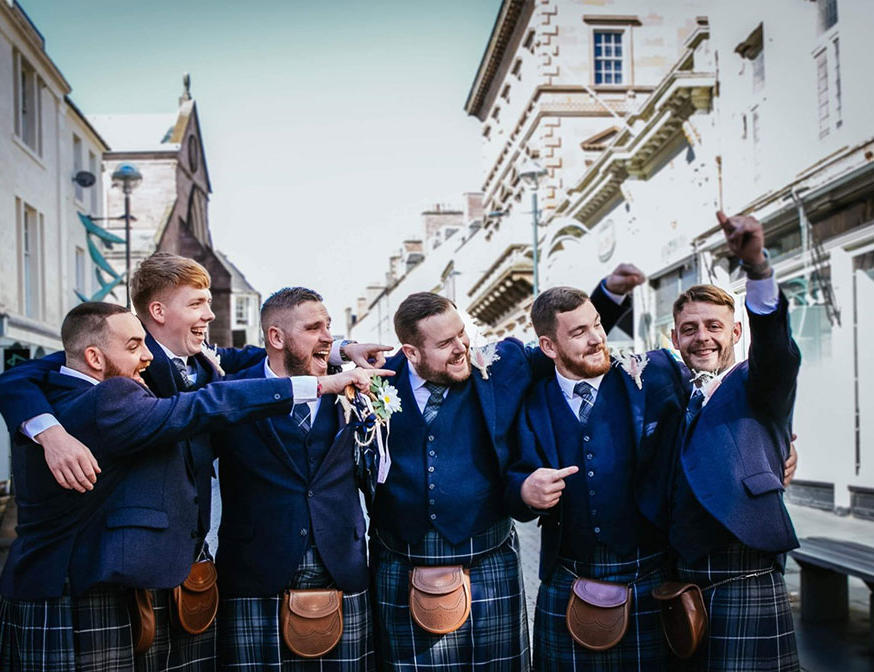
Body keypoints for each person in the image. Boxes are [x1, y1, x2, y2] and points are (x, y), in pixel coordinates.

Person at [0, 253, 388, 669]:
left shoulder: (201, 361)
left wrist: (339, 348)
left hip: (188, 569)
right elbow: (21, 377)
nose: (210, 314)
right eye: (197, 303)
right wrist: (46, 430)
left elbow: (260, 354)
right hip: (118, 569)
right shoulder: (123, 367)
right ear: (158, 312)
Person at [367, 278, 634, 671]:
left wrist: (608, 297)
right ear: (411, 352)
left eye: (461, 335)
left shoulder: (501, 365)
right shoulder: (375, 383)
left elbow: (566, 342)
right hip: (405, 560)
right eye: (445, 345)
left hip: (488, 557)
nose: (461, 349)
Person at [505, 285, 690, 670]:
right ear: (549, 346)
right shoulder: (532, 401)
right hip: (568, 578)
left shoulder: (652, 377)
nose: (596, 339)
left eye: (598, 325)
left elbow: (711, 411)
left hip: (648, 575)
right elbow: (511, 478)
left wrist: (775, 441)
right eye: (579, 333)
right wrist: (524, 490)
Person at [213, 287, 381, 670]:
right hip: (256, 574)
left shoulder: (356, 382)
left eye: (329, 327)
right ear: (276, 337)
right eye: (313, 328)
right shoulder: (231, 391)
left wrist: (341, 350)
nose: (328, 338)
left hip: (341, 568)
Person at [667, 212, 801, 670]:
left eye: (714, 326)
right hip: (678, 579)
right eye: (689, 329)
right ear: (674, 338)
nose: (701, 337)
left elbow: (778, 351)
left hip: (744, 573)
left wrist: (757, 268)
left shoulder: (757, 382)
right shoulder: (668, 394)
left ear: (736, 333)